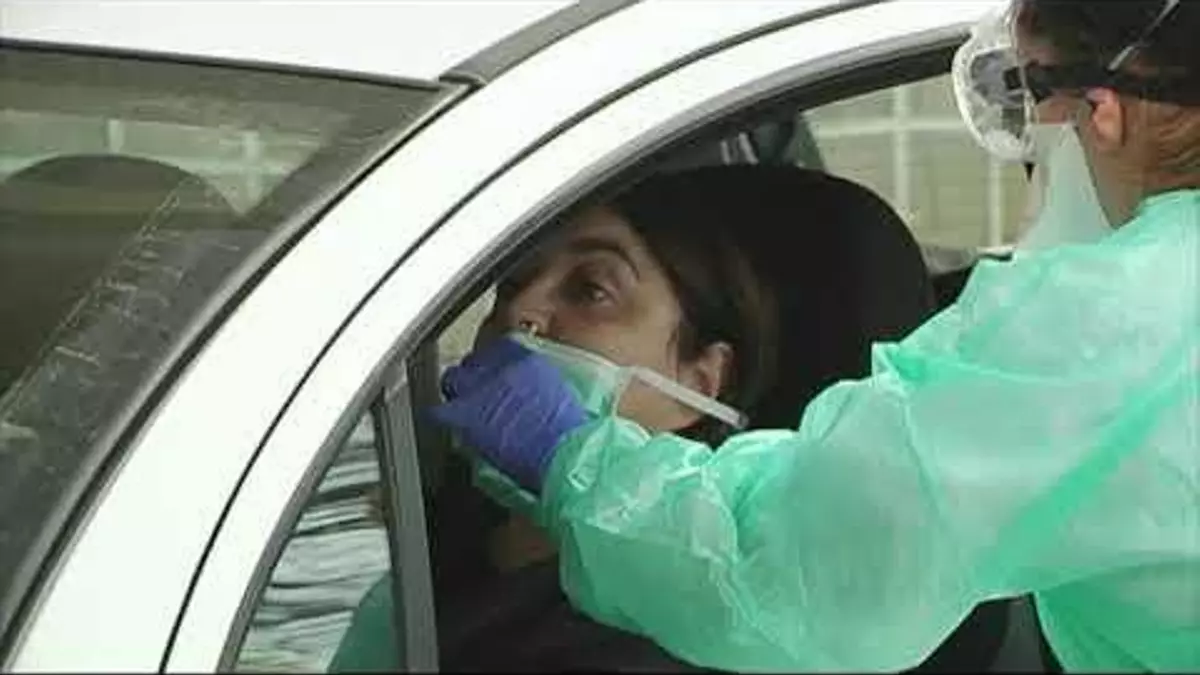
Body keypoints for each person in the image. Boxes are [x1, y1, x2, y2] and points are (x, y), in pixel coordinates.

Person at [428, 0, 1200, 671]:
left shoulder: (1116, 323)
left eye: (1023, 97)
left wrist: (572, 458)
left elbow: (806, 567)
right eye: (513, 277)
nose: (524, 314)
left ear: (1102, 111)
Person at [331, 167, 783, 672]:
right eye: (511, 284)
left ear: (700, 382)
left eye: (590, 290)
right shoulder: (409, 547)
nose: (519, 310)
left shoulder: (683, 641)